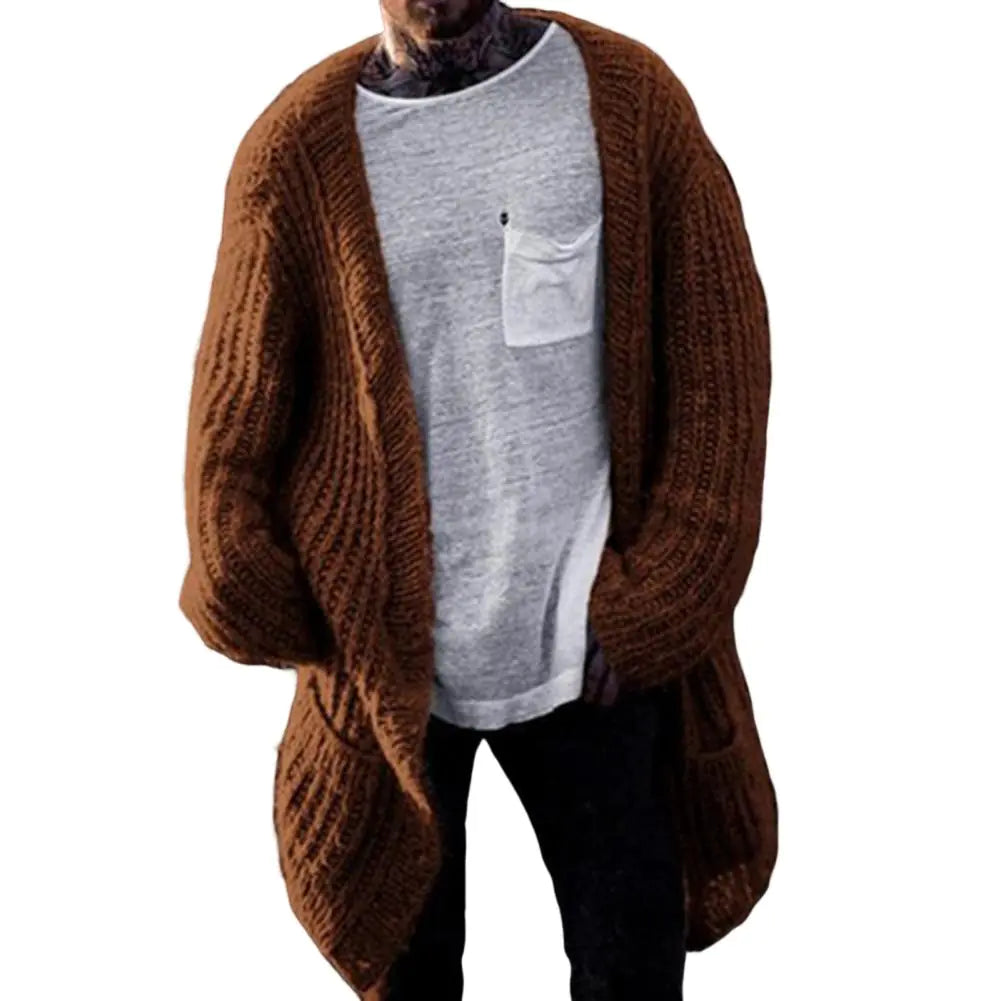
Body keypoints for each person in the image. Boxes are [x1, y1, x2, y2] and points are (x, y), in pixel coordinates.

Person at [178, 2, 777, 998]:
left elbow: (721, 372)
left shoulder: (626, 99)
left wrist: (660, 596)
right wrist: (293, 611)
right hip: (394, 679)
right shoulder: (296, 151)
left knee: (631, 969)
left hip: (592, 650)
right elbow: (233, 431)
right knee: (409, 974)